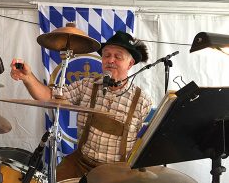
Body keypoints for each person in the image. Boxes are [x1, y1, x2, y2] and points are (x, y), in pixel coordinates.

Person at [10, 31, 152, 182]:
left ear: (130, 64)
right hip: (80, 162)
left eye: (118, 56)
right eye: (106, 55)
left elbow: (144, 146)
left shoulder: (142, 101)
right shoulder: (87, 85)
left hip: (116, 172)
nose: (111, 60)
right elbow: (49, 97)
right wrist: (28, 77)